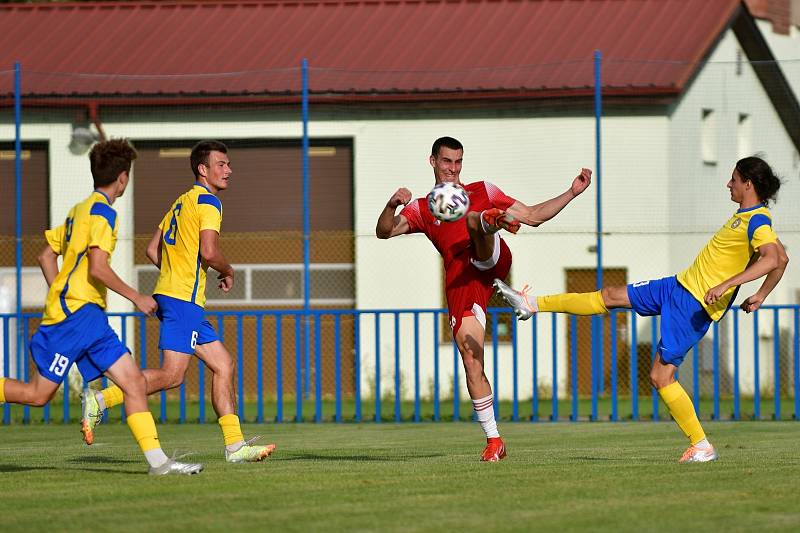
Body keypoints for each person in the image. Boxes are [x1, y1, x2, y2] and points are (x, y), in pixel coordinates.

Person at [494, 156, 788, 463]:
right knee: (609, 295)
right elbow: (782, 259)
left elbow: (772, 258)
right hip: (677, 286)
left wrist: (729, 285)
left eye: (734, 179)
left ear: (748, 184)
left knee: (661, 377)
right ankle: (530, 304)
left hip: (693, 305)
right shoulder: (746, 216)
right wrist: (761, 295)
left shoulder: (758, 219)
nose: (728, 184)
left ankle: (701, 445)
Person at [376, 136, 591, 461]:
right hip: (462, 278)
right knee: (471, 358)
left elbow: (532, 215)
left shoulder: (482, 190)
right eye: (447, 161)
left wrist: (572, 192)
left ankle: (489, 222)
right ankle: (494, 441)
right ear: (433, 161)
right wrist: (392, 204)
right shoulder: (422, 208)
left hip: (491, 257)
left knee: (476, 220)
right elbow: (384, 232)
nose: (453, 168)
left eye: (458, 162)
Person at [0, 139, 202, 475]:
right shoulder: (104, 213)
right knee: (38, 395)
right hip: (75, 319)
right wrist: (137, 297)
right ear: (123, 178)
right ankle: (160, 462)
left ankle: (159, 464)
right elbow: (98, 267)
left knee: (132, 383)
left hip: (82, 317)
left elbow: (46, 255)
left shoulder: (79, 210)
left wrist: (61, 297)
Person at [82, 140, 275, 463]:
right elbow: (210, 252)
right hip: (183, 299)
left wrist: (176, 273)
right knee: (173, 376)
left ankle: (235, 446)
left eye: (228, 164)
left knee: (223, 364)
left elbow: (152, 250)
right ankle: (102, 400)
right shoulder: (209, 203)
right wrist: (228, 270)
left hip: (178, 297)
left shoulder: (181, 202)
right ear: (203, 169)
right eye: (221, 164)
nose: (228, 170)